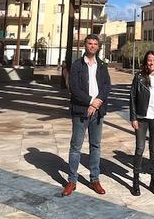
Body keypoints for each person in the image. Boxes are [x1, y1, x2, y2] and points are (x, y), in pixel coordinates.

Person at [63, 34, 111, 197]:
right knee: (76, 146)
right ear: (85, 45)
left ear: (98, 47)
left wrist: (98, 102)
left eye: (95, 44)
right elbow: (74, 88)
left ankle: (95, 179)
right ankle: (72, 180)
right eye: (89, 43)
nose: (92, 46)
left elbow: (106, 86)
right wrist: (91, 101)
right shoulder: (77, 65)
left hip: (98, 111)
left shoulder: (103, 65)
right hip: (80, 111)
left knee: (95, 146)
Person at [129, 51, 154, 196]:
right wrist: (133, 118)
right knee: (140, 148)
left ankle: (153, 181)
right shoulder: (139, 77)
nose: (152, 63)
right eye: (149, 60)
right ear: (145, 62)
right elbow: (132, 97)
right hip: (141, 118)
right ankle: (135, 181)